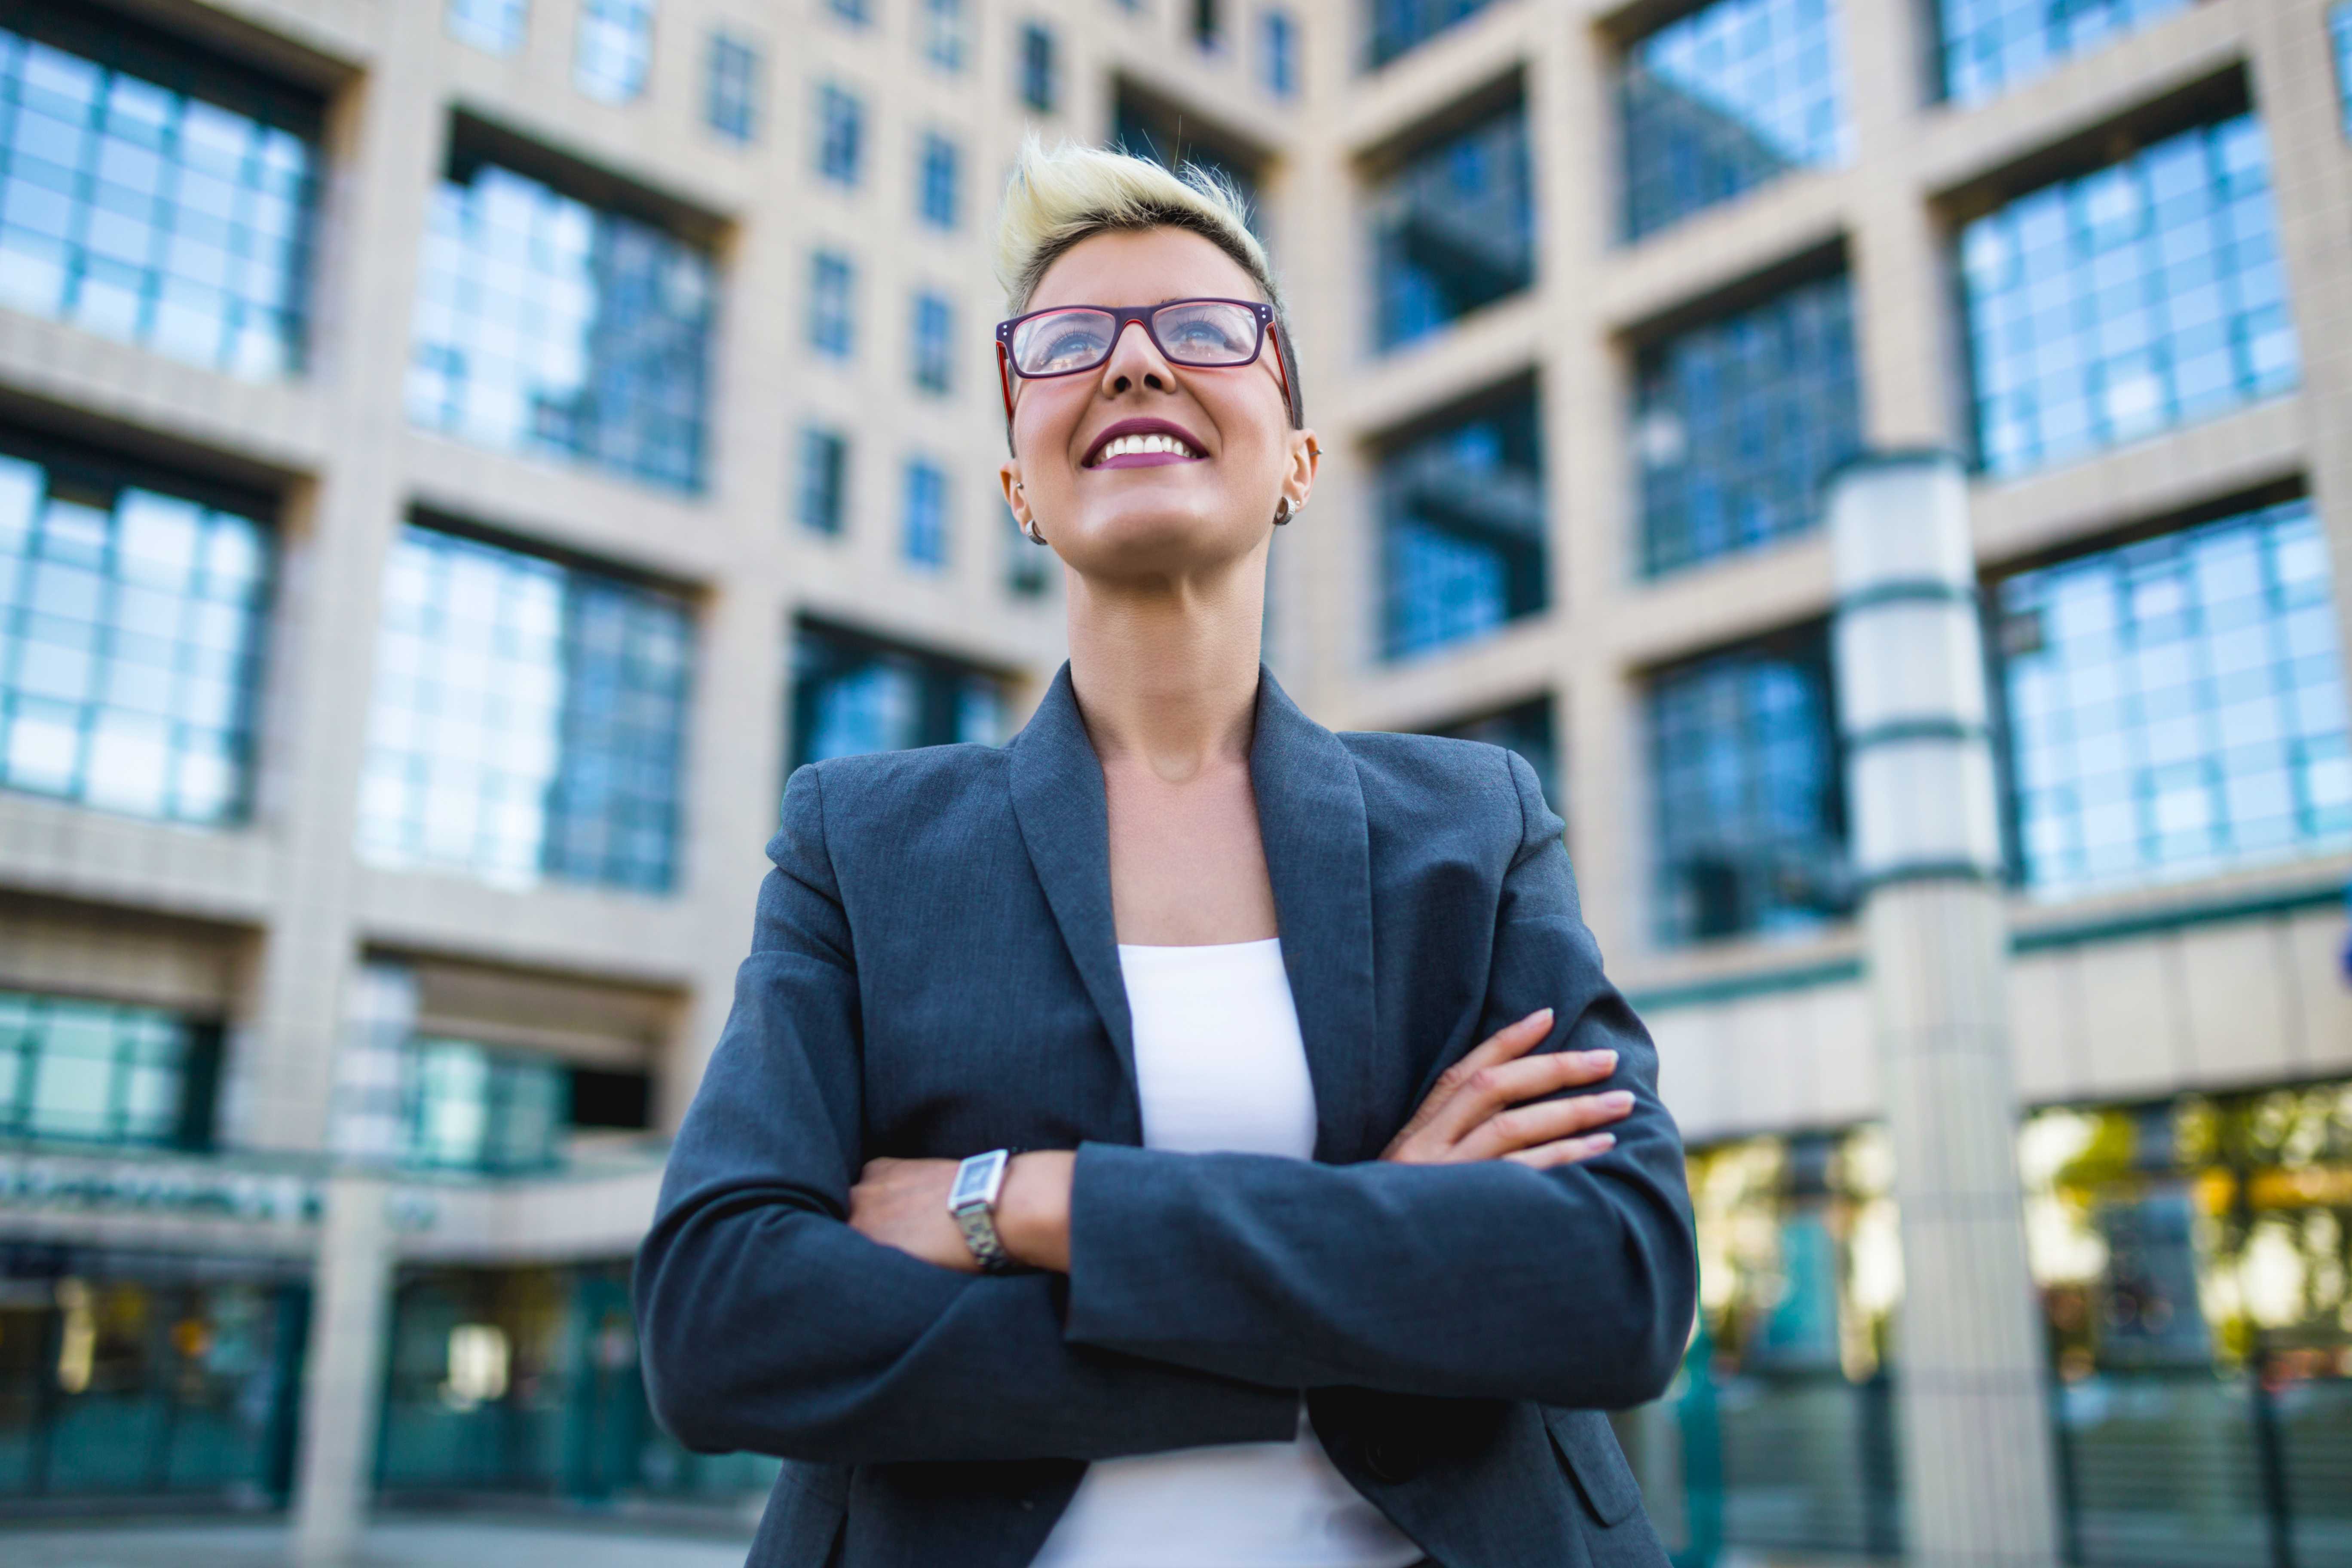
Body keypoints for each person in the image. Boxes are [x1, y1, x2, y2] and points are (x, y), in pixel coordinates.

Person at [634, 138, 1697, 1568]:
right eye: (1069, 344)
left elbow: (1616, 1285)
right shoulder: (862, 842)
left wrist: (1022, 1202)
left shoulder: (1474, 826)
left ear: (1299, 462)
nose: (1134, 367)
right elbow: (723, 1323)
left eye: (1204, 331)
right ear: (1019, 483)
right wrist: (1379, 1248)